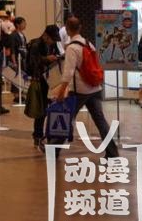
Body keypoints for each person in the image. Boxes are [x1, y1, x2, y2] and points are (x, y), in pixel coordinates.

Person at [52, 17, 119, 159]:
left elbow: (68, 72)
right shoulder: (89, 44)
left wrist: (61, 91)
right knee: (100, 121)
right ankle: (112, 152)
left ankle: (54, 149)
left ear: (67, 29)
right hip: (94, 88)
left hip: (79, 91)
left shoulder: (71, 48)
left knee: (66, 118)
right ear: (80, 28)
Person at [26, 25, 62, 150]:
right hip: (39, 80)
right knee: (40, 110)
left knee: (52, 108)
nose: (53, 41)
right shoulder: (35, 45)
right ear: (45, 35)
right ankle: (38, 136)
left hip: (52, 78)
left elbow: (57, 54)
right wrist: (47, 58)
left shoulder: (53, 44)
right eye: (52, 39)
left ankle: (49, 136)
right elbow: (32, 62)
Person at [10, 16, 28, 93]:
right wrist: (14, 62)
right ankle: (16, 95)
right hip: (17, 59)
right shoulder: (13, 35)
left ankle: (21, 92)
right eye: (23, 23)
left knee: (23, 76)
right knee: (16, 76)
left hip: (23, 59)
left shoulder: (23, 35)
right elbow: (12, 49)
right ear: (17, 24)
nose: (25, 25)